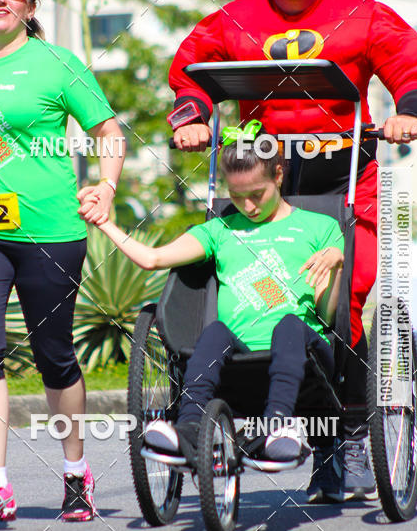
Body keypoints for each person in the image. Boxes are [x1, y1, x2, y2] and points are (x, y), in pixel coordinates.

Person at [167, 0, 417, 501]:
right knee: (234, 287)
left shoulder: (361, 13)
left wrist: (409, 111)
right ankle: (222, 407)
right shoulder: (234, 17)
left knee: (349, 297)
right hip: (264, 181)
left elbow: (409, 64)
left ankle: (349, 438)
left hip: (345, 175)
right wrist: (192, 116)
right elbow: (192, 72)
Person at [0, 0, 125, 524]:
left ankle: (76, 472)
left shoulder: (57, 64)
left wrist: (107, 187)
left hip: (48, 227)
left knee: (55, 356)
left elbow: (107, 131)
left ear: (30, 6)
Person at [97, 133, 344, 461]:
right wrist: (104, 223)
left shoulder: (321, 228)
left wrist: (336, 263)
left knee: (288, 324)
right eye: (237, 197)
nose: (249, 207)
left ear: (278, 176)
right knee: (214, 332)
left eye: (257, 194)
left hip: (303, 351)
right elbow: (152, 258)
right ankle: (188, 429)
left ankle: (277, 427)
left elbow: (328, 317)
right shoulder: (219, 230)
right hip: (239, 358)